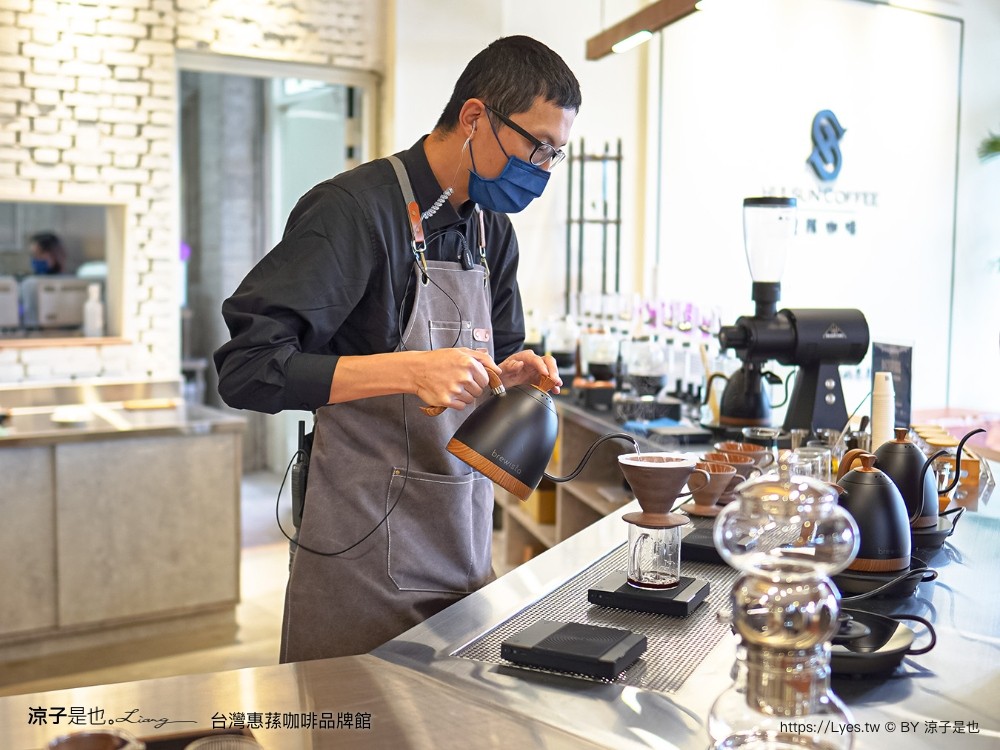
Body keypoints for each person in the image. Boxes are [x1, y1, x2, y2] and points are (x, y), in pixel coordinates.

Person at [214, 35, 581, 662]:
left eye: (557, 154)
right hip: (360, 560)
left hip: (462, 549)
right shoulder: (353, 213)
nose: (542, 169)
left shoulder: (493, 231)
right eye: (536, 146)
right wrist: (408, 370)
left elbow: (494, 360)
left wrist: (510, 377)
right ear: (475, 118)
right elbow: (249, 371)